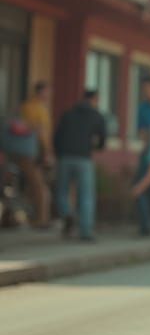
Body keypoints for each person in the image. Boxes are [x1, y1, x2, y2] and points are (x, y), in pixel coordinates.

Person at [53, 89, 107, 241]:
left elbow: (56, 136)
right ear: (95, 99)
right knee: (86, 195)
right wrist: (95, 147)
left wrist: (58, 154)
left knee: (62, 191)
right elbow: (103, 139)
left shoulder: (68, 114)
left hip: (64, 157)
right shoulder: (97, 116)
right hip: (84, 158)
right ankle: (85, 231)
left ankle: (67, 214)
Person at [17, 81, 54, 228]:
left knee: (32, 186)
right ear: (41, 92)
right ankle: (41, 220)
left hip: (29, 151)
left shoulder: (29, 107)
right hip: (33, 151)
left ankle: (31, 218)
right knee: (40, 187)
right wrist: (47, 153)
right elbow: (41, 133)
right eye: (47, 91)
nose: (50, 94)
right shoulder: (35, 108)